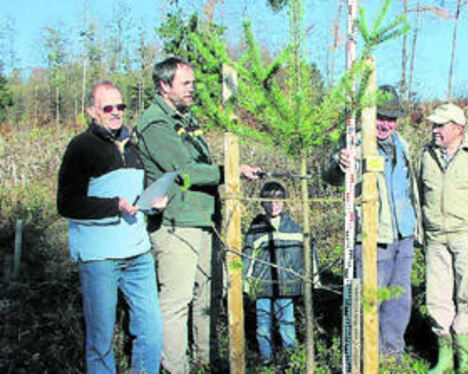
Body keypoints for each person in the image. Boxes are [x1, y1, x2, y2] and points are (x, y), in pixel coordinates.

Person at [135, 57, 261, 373]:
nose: (193, 89)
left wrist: (229, 172)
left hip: (203, 220)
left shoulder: (186, 119)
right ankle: (175, 366)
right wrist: (230, 171)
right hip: (177, 223)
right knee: (176, 301)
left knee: (209, 296)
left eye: (193, 82)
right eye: (185, 83)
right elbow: (184, 170)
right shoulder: (156, 124)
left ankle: (208, 359)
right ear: (164, 86)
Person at [57, 81, 165, 373]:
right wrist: (113, 205)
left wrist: (154, 202)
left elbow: (139, 194)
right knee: (101, 341)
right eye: (108, 108)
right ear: (93, 111)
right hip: (99, 258)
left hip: (138, 253)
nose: (116, 113)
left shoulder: (133, 145)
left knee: (152, 332)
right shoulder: (80, 148)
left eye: (120, 106)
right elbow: (67, 204)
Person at [322, 85, 420, 358]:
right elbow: (329, 175)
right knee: (370, 299)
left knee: (399, 300)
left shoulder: (403, 145)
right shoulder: (353, 142)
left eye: (391, 118)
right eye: (380, 117)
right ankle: (370, 356)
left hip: (403, 235)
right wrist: (340, 164)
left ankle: (393, 355)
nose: (386, 124)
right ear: (368, 116)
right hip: (372, 236)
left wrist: (415, 229)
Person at [417, 103, 468, 373]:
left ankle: (464, 361)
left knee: (467, 297)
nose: (435, 130)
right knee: (437, 298)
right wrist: (422, 234)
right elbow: (417, 197)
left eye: (441, 125)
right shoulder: (425, 155)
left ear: (458, 128)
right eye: (434, 125)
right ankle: (445, 359)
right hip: (435, 239)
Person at [242, 182, 317, 364]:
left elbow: (310, 253)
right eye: (268, 200)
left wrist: (315, 280)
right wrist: (243, 285)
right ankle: (266, 360)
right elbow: (247, 258)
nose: (273, 204)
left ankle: (291, 360)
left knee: (287, 325)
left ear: (283, 202)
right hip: (263, 288)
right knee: (263, 328)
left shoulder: (295, 229)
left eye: (278, 200)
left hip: (287, 288)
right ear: (262, 203)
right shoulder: (255, 231)